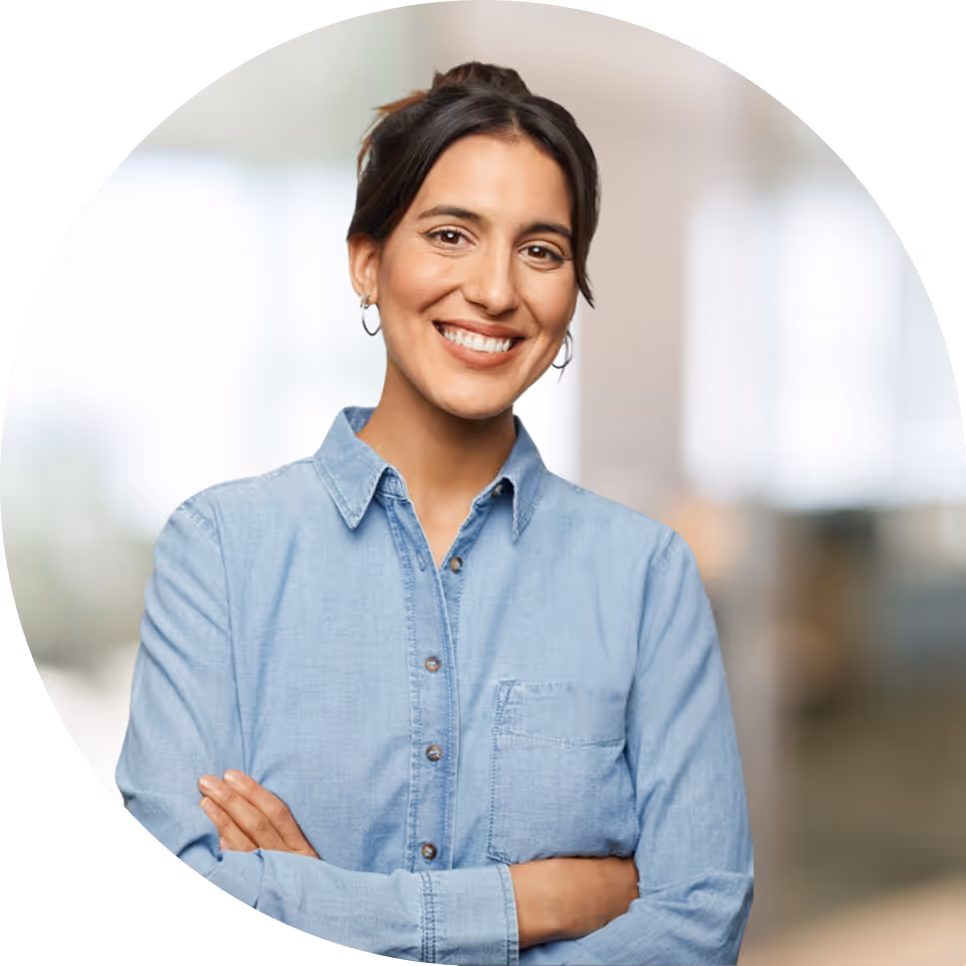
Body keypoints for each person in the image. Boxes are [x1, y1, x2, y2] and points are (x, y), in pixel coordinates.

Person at [117, 61, 754, 964]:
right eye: (452, 235)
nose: (495, 290)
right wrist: (530, 902)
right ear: (367, 262)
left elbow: (698, 920)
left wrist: (316, 904)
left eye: (541, 250)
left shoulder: (645, 574)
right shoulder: (219, 550)